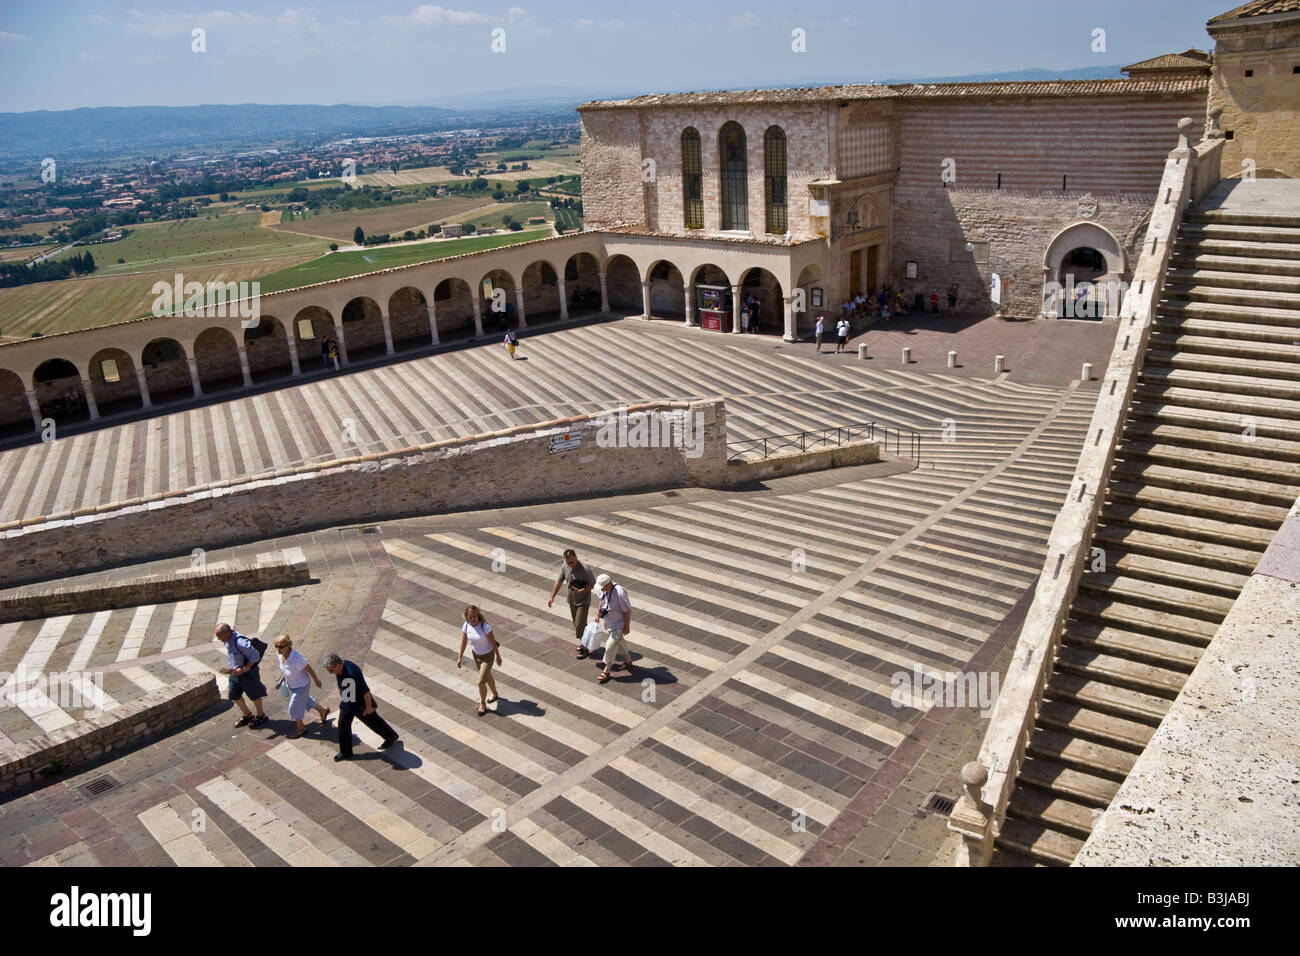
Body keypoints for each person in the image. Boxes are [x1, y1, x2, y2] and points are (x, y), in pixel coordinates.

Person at [323, 653, 399, 760]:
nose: (330, 673)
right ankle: (346, 752)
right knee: (343, 725)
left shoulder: (352, 673)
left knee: (373, 722)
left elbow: (366, 692)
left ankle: (391, 736)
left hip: (360, 704)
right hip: (347, 702)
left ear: (338, 665)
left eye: (331, 670)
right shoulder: (340, 669)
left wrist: (369, 707)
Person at [272, 634, 329, 739]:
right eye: (276, 646)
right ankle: (322, 710)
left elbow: (309, 668)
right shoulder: (279, 654)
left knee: (294, 707)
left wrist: (317, 680)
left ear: (288, 645)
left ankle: (301, 728)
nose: (278, 649)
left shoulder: (296, 658)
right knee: (305, 699)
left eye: (281, 646)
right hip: (292, 684)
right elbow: (284, 667)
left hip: (301, 684)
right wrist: (284, 677)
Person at [215, 623, 268, 728]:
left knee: (255, 695)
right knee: (234, 695)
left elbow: (255, 656)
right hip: (235, 673)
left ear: (227, 633)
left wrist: (244, 668)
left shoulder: (240, 642)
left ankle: (261, 715)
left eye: (219, 636)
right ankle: (248, 715)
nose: (218, 638)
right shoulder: (228, 640)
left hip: (248, 673)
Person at [548, 549, 595, 658]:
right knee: (577, 624)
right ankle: (585, 642)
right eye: (567, 562)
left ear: (576, 558)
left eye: (572, 562)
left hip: (584, 600)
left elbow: (592, 584)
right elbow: (559, 581)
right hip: (571, 599)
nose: (570, 564)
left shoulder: (585, 569)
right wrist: (552, 596)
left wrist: (581, 591)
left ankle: (585, 648)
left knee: (579, 624)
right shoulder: (565, 566)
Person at [457, 605, 502, 716]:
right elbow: (463, 642)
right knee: (487, 676)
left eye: (474, 616)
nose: (472, 619)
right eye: (470, 617)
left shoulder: (485, 627)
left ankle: (482, 704)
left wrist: (498, 656)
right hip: (476, 656)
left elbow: (493, 642)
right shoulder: (466, 626)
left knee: (481, 681)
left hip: (488, 656)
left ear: (478, 615)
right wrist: (460, 657)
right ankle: (495, 693)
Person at [594, 574, 634, 683]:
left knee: (610, 646)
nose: (601, 589)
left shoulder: (620, 593)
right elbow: (601, 601)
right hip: (609, 623)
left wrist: (626, 626)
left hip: (619, 625)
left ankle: (606, 671)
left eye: (603, 587)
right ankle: (628, 661)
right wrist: (598, 615)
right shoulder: (602, 589)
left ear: (608, 584)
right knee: (619, 641)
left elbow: (627, 611)